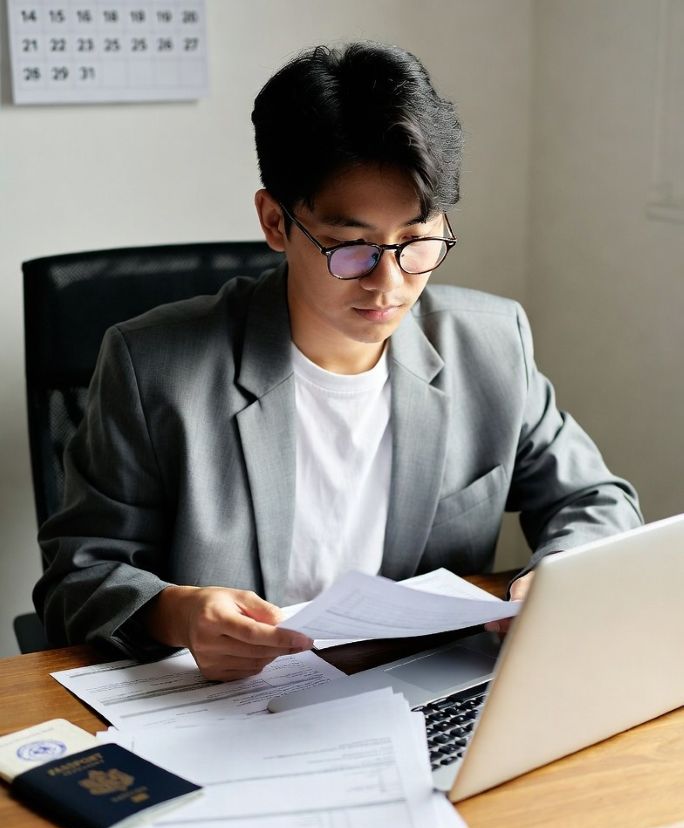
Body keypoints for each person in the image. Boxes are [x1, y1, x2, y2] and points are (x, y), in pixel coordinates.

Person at [34, 42, 641, 681]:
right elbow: (77, 578)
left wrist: (554, 576)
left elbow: (598, 500)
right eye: (351, 247)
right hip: (234, 703)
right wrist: (177, 612)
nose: (389, 283)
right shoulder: (153, 366)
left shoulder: (489, 346)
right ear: (275, 221)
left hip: (416, 685)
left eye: (416, 241)